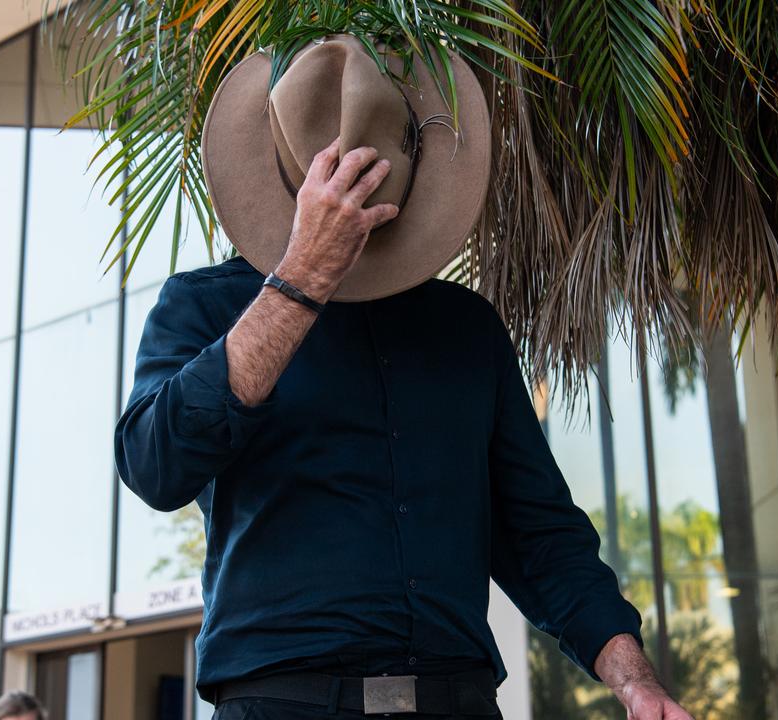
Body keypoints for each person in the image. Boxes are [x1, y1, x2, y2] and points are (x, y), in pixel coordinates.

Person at [115, 35, 695, 720]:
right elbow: (154, 463)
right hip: (281, 700)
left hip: (457, 699)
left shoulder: (466, 327)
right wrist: (301, 278)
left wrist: (636, 681)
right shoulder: (202, 305)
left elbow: (541, 535)